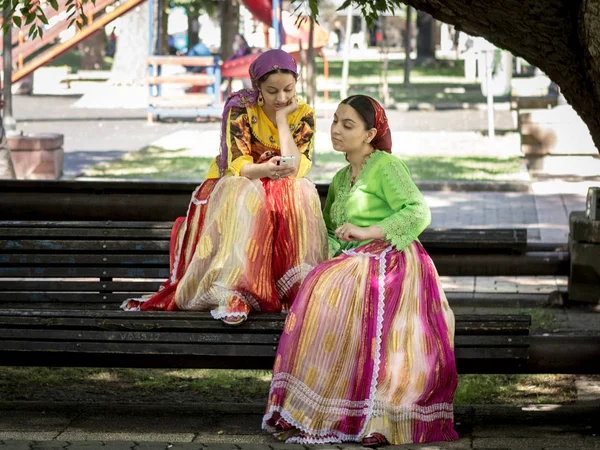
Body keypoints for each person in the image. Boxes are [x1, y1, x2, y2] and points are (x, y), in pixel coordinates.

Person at [262, 95, 458, 446]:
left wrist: (367, 232)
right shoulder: (340, 179)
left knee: (332, 289)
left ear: (370, 134)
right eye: (335, 121)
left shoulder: (386, 166)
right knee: (317, 287)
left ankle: (380, 418)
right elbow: (333, 233)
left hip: (394, 258)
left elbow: (418, 212)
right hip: (354, 264)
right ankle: (312, 412)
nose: (336, 130)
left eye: (347, 125)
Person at [122, 49, 328, 326]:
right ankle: (233, 290)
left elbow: (297, 167)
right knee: (242, 192)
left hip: (278, 183)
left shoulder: (301, 114)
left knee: (300, 190)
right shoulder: (240, 107)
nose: (281, 98)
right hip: (240, 182)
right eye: (272, 91)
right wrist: (266, 170)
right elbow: (237, 164)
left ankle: (294, 290)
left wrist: (281, 122)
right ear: (258, 88)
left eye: (288, 89)